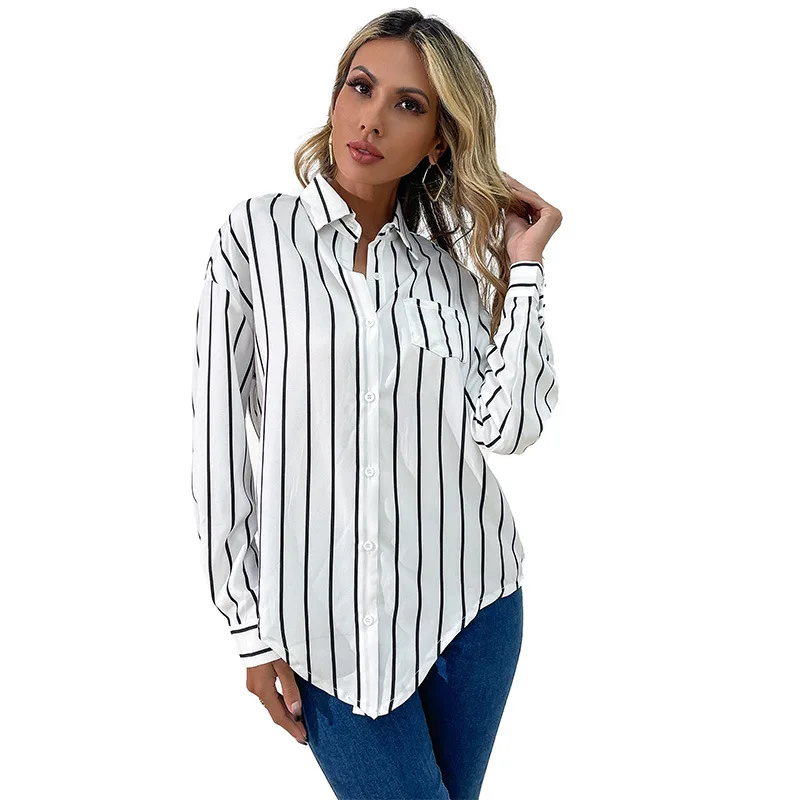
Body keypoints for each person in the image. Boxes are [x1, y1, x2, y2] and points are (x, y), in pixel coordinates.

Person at [191, 8, 561, 798]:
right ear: (335, 97)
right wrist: (249, 629)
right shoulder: (255, 238)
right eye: (361, 88)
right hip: (323, 635)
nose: (371, 119)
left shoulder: (447, 277)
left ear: (438, 141)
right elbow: (219, 447)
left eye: (408, 104)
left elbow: (508, 427)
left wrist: (522, 269)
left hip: (472, 607)